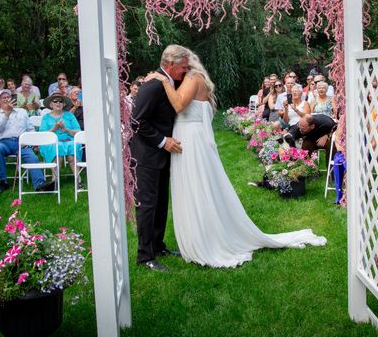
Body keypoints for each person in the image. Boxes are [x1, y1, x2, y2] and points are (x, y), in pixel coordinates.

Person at [148, 49, 326, 268]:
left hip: (189, 140)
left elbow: (177, 105)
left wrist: (162, 81)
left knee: (196, 187)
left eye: (184, 66)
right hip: (188, 137)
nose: (182, 71)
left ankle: (204, 237)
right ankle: (200, 233)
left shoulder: (193, 78)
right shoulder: (192, 79)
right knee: (194, 187)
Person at [130, 45, 187, 272]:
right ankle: (145, 256)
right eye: (182, 68)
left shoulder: (170, 81)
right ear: (171, 65)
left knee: (161, 202)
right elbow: (137, 122)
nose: (185, 72)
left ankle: (157, 244)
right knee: (147, 205)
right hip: (146, 154)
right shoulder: (152, 86)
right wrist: (163, 141)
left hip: (162, 155)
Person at [0, 90, 52, 193]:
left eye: (8, 97)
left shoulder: (22, 112)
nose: (6, 99)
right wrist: (7, 113)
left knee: (33, 157)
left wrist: (29, 141)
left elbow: (30, 129)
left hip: (21, 142)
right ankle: (3, 181)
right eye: (3, 98)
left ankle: (40, 184)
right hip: (2, 142)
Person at [39, 92, 82, 187]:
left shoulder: (70, 116)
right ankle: (55, 180)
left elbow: (78, 132)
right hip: (52, 142)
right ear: (51, 104)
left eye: (60, 101)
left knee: (72, 149)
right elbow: (42, 135)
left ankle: (78, 180)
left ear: (64, 104)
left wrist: (65, 129)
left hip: (69, 140)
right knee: (56, 148)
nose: (58, 103)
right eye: (55, 101)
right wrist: (54, 128)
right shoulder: (46, 117)